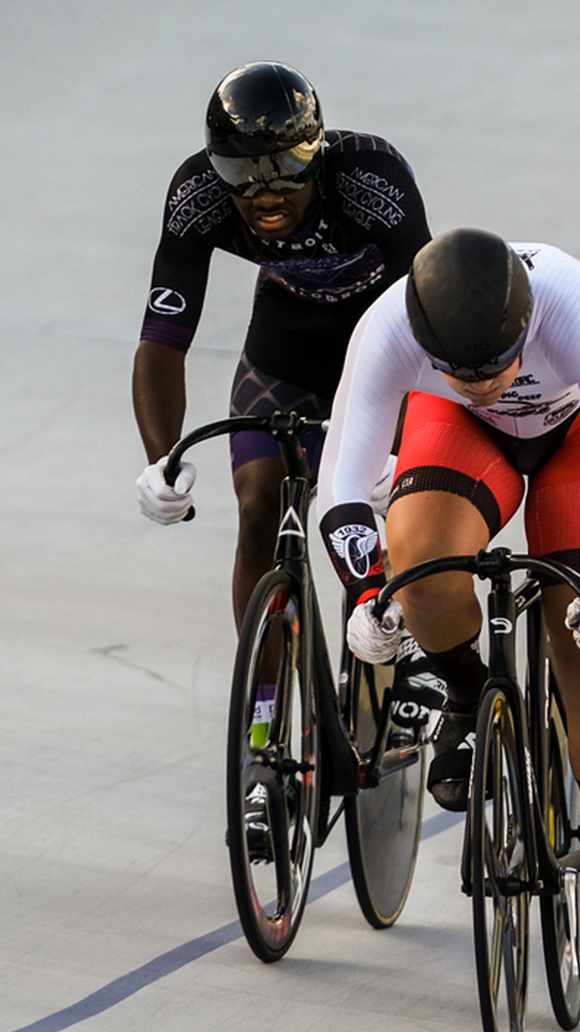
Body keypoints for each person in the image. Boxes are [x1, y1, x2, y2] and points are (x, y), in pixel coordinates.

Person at [312, 230, 580, 988]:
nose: (478, 383)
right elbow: (342, 490)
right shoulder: (389, 327)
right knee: (420, 565)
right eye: (456, 370)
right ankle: (469, 696)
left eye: (493, 367)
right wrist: (369, 595)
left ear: (523, 328)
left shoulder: (569, 304)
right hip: (466, 442)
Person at [131, 61, 432, 623]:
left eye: (289, 171)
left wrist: (400, 446)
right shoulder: (198, 194)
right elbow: (163, 339)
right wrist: (161, 460)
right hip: (286, 345)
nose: (266, 195)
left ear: (317, 154)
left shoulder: (373, 178)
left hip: (382, 349)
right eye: (241, 176)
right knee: (258, 509)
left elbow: (424, 323)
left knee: (404, 519)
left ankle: (409, 654)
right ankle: (263, 707)